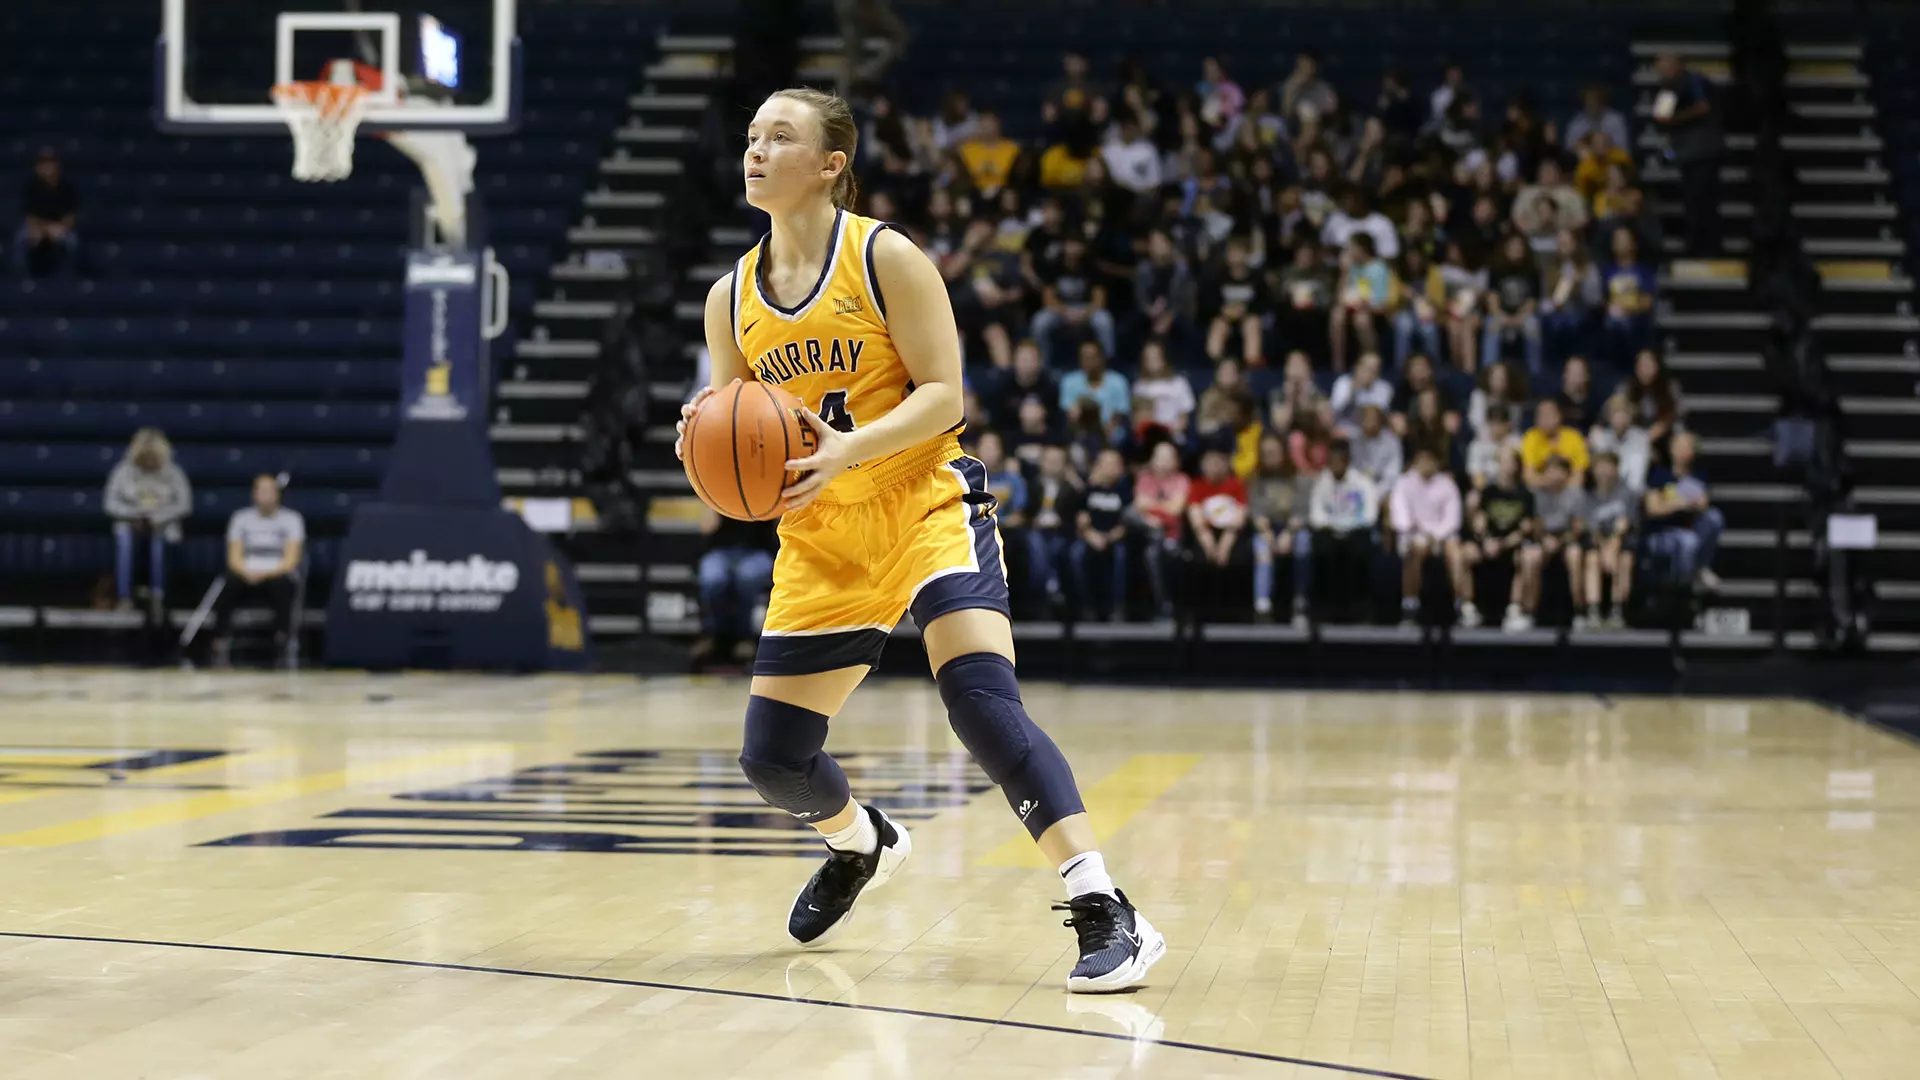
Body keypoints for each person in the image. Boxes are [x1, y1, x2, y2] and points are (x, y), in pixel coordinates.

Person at [677, 88, 1164, 990]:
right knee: (773, 759)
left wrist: (849, 447)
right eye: (750, 136)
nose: (755, 150)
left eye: (779, 136)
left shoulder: (884, 257)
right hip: (822, 533)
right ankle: (861, 843)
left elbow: (945, 395)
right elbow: (738, 423)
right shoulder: (729, 297)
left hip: (922, 499)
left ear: (831, 164)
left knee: (979, 700)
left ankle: (1105, 905)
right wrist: (704, 436)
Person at [209, 473, 305, 667]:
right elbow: (234, 557)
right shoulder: (240, 518)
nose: (266, 495)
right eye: (262, 491)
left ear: (278, 494)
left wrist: (266, 574)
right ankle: (220, 640)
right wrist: (246, 572)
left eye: (270, 491)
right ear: (254, 494)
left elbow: (291, 560)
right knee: (229, 584)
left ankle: (282, 638)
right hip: (246, 572)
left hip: (277, 572)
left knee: (283, 586)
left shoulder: (292, 519)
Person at [1452, 447, 1540, 631]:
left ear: (1517, 466)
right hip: (1488, 542)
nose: (1506, 466)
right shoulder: (1487, 492)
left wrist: (1503, 544)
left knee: (1528, 557)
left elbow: (1525, 530)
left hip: (1512, 544)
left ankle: (1515, 609)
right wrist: (1487, 541)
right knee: (1463, 553)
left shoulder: (1526, 494)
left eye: (1510, 462)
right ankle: (1468, 608)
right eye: (1503, 461)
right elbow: (1479, 523)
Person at [103, 427, 191, 611]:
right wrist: (133, 515)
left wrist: (159, 517)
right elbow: (109, 503)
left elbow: (184, 505)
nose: (149, 462)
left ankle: (158, 595)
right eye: (145, 458)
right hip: (130, 524)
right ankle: (125, 598)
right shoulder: (122, 471)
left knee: (158, 541)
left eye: (153, 458)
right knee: (124, 541)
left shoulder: (173, 472)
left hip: (162, 526)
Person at [1651, 52, 1723, 256]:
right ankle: (1695, 245)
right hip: (1688, 153)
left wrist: (1675, 120)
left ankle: (1710, 247)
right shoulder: (1669, 87)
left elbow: (1702, 107)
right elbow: (1661, 117)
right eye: (1658, 68)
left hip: (1704, 151)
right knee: (1692, 201)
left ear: (1676, 65)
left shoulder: (1692, 81)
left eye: (1664, 67)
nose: (1660, 72)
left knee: (1704, 201)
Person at [694, 508, 781, 666]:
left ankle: (744, 636)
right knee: (713, 578)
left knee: (748, 577)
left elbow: (780, 526)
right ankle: (715, 634)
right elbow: (706, 527)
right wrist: (712, 505)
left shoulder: (766, 493)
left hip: (758, 549)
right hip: (720, 550)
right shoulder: (719, 492)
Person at [1388, 444, 1463, 624]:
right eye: (1422, 460)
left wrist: (1434, 536)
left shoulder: (1447, 484)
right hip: (1413, 535)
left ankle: (1461, 605)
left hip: (1441, 537)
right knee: (1417, 550)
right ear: (1415, 462)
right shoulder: (1403, 483)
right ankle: (1410, 605)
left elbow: (1453, 519)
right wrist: (1423, 535)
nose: (1426, 464)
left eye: (1430, 460)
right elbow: (1401, 519)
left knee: (1456, 553)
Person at [1307, 439, 1379, 623]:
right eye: (1332, 461)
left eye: (1340, 461)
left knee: (1359, 550)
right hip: (1329, 530)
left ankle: (1358, 610)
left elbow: (1370, 514)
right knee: (1323, 549)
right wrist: (1335, 527)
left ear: (1347, 461)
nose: (1336, 465)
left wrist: (1348, 527)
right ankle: (1325, 610)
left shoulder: (1362, 482)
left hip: (1355, 530)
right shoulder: (1322, 481)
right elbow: (1316, 514)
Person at [1643, 431, 1722, 589]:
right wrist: (1681, 504)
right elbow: (1653, 508)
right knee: (1688, 542)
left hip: (1691, 527)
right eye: (1679, 447)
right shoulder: (1660, 475)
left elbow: (1702, 503)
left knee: (1714, 517)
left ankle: (1700, 569)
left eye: (1687, 447)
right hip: (1662, 531)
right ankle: (1681, 588)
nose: (1682, 452)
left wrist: (1671, 502)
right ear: (1671, 449)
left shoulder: (1699, 476)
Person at [1248, 433, 1312, 625]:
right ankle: (1262, 605)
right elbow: (1255, 512)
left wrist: (1289, 534)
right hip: (1266, 528)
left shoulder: (1298, 479)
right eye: (1265, 453)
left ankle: (1301, 600)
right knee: (1262, 548)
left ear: (1284, 453)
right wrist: (1267, 533)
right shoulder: (1256, 481)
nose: (1270, 457)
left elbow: (1303, 512)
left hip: (1293, 528)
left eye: (1274, 452)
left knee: (1303, 543)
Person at [1185, 448, 1251, 614]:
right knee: (1199, 561)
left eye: (1218, 462)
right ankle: (1201, 612)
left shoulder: (1237, 484)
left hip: (1231, 534)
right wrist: (1210, 547)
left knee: (1239, 560)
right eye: (1210, 462)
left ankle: (1235, 612)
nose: (1214, 467)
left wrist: (1223, 548)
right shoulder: (1197, 485)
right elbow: (1196, 520)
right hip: (1206, 534)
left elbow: (1239, 518)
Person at [1132, 440, 1190, 619]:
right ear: (1153, 460)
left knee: (1157, 555)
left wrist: (1151, 506)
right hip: (1146, 533)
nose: (1164, 462)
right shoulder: (1145, 479)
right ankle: (1159, 605)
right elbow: (1138, 505)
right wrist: (1163, 508)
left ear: (1176, 461)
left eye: (1168, 457)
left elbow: (1176, 510)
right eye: (1160, 457)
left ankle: (1168, 605)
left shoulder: (1182, 480)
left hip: (1174, 535)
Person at [1071, 448, 1131, 621]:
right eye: (1108, 463)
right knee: (1076, 555)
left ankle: (1117, 607)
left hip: (1115, 539)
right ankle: (1085, 606)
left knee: (1121, 556)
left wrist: (1110, 537)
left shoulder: (1124, 491)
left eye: (1116, 464)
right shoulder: (1087, 490)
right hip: (1090, 537)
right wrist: (1091, 535)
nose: (1112, 468)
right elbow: (1080, 519)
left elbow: (1125, 523)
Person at [1581, 450, 1639, 629]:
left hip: (1621, 542)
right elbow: (1591, 528)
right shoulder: (1588, 496)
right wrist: (1604, 548)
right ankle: (1593, 611)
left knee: (1623, 559)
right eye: (1601, 467)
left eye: (1609, 467)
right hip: (1598, 543)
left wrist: (1612, 546)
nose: (1605, 472)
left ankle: (1617, 611)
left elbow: (1624, 525)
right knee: (1592, 559)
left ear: (1616, 470)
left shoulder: (1627, 494)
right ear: (1593, 470)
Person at [1531, 455, 1587, 622]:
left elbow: (1577, 528)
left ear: (1567, 474)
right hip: (1544, 537)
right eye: (1550, 471)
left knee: (1574, 556)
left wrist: (1561, 541)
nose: (1554, 475)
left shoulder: (1576, 494)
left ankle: (1579, 611)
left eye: (1558, 471)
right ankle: (1529, 611)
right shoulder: (1537, 494)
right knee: (1531, 557)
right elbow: (1535, 525)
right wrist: (1545, 539)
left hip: (1567, 538)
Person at [1201, 236, 1270, 366]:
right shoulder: (1219, 277)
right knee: (1218, 325)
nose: (1235, 256)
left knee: (1252, 324)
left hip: (1248, 317)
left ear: (1246, 255)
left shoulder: (1256, 278)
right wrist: (1223, 310)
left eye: (1239, 252)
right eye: (1232, 252)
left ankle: (1252, 365)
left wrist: (1246, 310)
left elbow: (1264, 302)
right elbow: (1210, 302)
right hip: (1225, 317)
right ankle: (1216, 363)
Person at [1330, 234, 1394, 372]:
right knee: (1337, 316)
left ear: (1362, 249)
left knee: (1361, 319)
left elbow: (1383, 304)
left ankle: (1372, 361)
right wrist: (1344, 273)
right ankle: (1338, 364)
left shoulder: (1379, 268)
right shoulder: (1351, 268)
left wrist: (1366, 305)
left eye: (1352, 248)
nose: (1349, 252)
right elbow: (1339, 299)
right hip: (1353, 307)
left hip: (1374, 310)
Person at [14, 148, 80, 278]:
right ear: (38, 168)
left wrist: (58, 228)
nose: (48, 168)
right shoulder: (31, 188)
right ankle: (19, 277)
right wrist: (45, 229)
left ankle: (74, 279)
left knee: (73, 242)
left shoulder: (67, 188)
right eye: (44, 164)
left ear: (57, 165)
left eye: (51, 163)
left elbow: (70, 218)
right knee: (20, 239)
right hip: (36, 227)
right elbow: (30, 217)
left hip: (60, 228)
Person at [1482, 233, 1543, 373]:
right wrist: (1503, 318)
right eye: (1513, 246)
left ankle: (1535, 372)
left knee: (1533, 326)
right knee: (1491, 325)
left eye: (1520, 246)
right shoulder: (1495, 270)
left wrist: (1519, 318)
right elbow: (1492, 300)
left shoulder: (1533, 271)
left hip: (1523, 315)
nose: (1517, 250)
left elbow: (1532, 302)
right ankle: (1488, 372)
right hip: (1500, 314)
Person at [1601, 228, 1658, 370]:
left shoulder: (1643, 271)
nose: (1621, 244)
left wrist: (1629, 308)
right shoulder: (1607, 271)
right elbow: (1602, 300)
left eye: (1624, 240)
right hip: (1613, 319)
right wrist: (1611, 308)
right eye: (1617, 240)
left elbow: (1648, 302)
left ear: (1633, 244)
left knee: (1626, 326)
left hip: (1637, 318)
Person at [1057, 340, 1130, 429]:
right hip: (1079, 430)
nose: (1087, 361)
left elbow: (1119, 416)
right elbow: (1068, 413)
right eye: (1083, 357)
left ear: (1101, 358)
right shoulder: (1069, 382)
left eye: (1091, 357)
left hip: (1110, 431)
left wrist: (1105, 432)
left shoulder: (1118, 382)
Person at [1589, 393, 1652, 492]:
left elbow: (1637, 476)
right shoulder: (1601, 437)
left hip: (1633, 491)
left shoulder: (1640, 438)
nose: (1619, 417)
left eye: (1623, 412)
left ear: (1630, 415)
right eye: (1615, 412)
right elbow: (1600, 470)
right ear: (1608, 416)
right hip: (1606, 490)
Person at [1521, 397, 1590, 488]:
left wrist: (1562, 486)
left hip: (1568, 489)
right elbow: (1529, 476)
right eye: (1541, 415)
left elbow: (1579, 475)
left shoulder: (1573, 436)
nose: (1545, 419)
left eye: (1549, 414)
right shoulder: (1531, 437)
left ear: (1559, 415)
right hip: (1542, 489)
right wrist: (1549, 481)